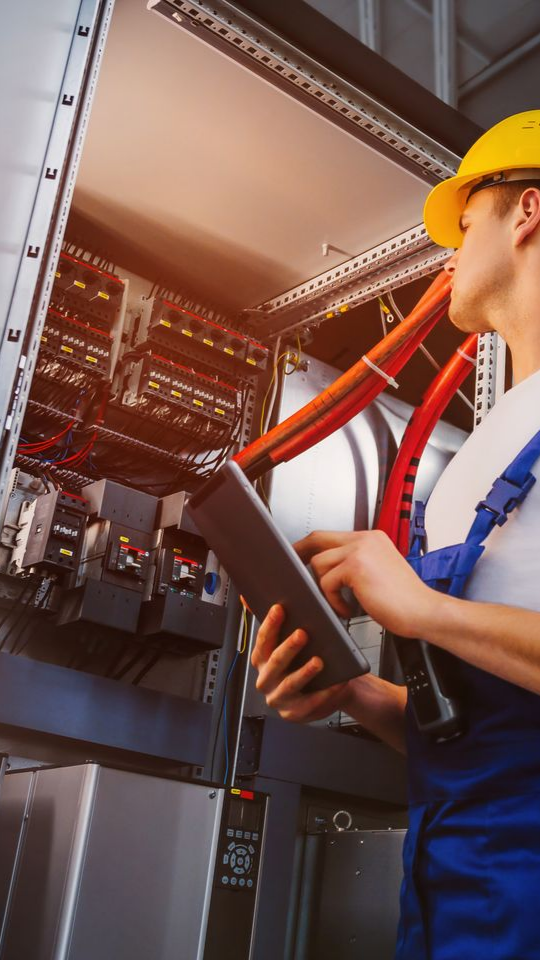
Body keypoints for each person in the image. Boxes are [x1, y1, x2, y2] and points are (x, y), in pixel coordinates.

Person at [251, 110, 540, 959]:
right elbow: (488, 726)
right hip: (453, 888)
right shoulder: (492, 443)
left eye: (468, 218)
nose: (452, 248)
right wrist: (354, 696)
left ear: (528, 211)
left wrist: (423, 610)